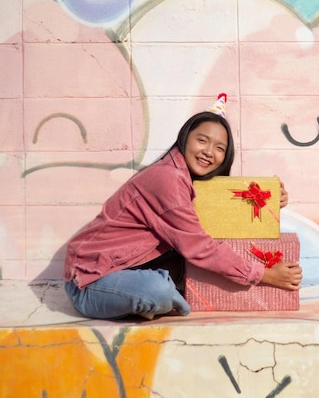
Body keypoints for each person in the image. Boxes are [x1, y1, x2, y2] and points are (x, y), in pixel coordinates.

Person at [63, 93, 302, 319]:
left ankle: (163, 289)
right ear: (184, 138)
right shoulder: (167, 178)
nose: (209, 152)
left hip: (124, 269)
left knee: (177, 271)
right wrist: (265, 274)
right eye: (202, 140)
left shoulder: (186, 179)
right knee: (159, 290)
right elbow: (201, 246)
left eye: (220, 148)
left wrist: (268, 201)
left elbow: (217, 215)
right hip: (90, 282)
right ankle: (170, 295)